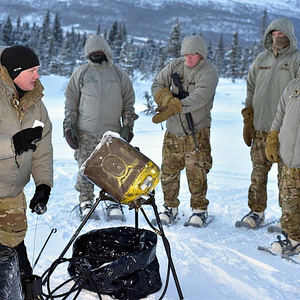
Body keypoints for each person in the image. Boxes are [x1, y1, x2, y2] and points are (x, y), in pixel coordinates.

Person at [64, 34, 138, 221]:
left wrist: (127, 126)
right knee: (85, 168)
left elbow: (128, 102)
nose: (97, 54)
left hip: (112, 133)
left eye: (100, 51)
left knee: (114, 168)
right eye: (93, 51)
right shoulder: (81, 72)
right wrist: (69, 126)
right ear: (88, 53)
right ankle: (86, 201)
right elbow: (71, 101)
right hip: (85, 132)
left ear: (106, 51)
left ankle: (113, 201)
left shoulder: (119, 74)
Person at [151, 34, 219, 227]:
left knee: (196, 171)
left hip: (196, 131)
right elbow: (157, 84)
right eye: (186, 54)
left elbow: (199, 98)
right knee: (169, 171)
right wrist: (166, 99)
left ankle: (199, 210)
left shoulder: (208, 71)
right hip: (173, 130)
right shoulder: (175, 66)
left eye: (193, 54)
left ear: (201, 54)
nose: (188, 58)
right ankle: (170, 207)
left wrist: (175, 106)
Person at [239, 17, 300, 228]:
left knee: (287, 181)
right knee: (257, 174)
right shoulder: (261, 59)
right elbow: (251, 87)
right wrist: (248, 117)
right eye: (273, 32)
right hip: (260, 129)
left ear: (289, 34)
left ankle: (288, 220)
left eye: (280, 32)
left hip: (285, 132)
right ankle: (256, 212)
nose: (276, 36)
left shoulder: (296, 60)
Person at [0, 45, 53, 278]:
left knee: (15, 255)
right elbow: (17, 142)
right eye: (31, 70)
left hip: (12, 195)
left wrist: (43, 185)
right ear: (14, 71)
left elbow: (42, 150)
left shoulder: (36, 105)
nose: (37, 76)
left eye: (37, 70)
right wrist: (13, 143)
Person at [265, 77, 300, 255]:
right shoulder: (294, 85)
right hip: (289, 156)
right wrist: (272, 138)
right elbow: (280, 114)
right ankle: (294, 237)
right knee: (289, 198)